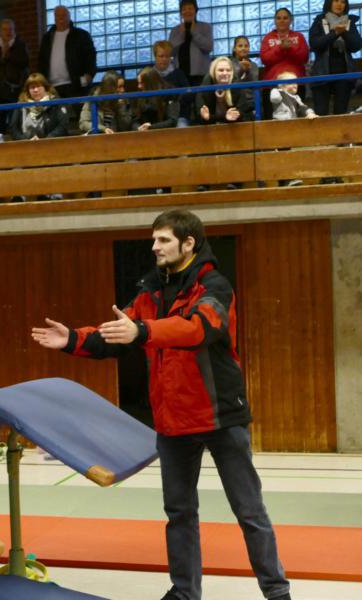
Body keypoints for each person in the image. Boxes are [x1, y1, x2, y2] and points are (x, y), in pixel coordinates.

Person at [31, 209, 291, 600]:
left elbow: (197, 329)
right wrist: (72, 338)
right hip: (173, 423)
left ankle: (277, 592)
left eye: (164, 239)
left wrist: (143, 331)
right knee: (179, 514)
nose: (155, 246)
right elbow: (118, 333)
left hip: (220, 416)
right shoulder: (149, 292)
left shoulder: (215, 288)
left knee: (249, 512)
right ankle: (185, 592)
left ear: (189, 243)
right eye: (154, 239)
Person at [309, 0, 362, 116]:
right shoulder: (319, 21)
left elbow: (357, 45)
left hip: (344, 74)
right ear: (329, 3)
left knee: (341, 114)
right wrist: (335, 33)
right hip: (321, 74)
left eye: (343, 2)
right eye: (336, 1)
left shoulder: (349, 22)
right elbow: (315, 44)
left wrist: (343, 32)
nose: (339, 4)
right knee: (321, 113)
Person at [38, 5, 97, 102]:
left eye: (64, 15)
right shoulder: (47, 38)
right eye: (58, 16)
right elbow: (41, 60)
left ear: (69, 17)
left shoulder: (81, 35)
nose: (61, 19)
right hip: (52, 88)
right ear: (54, 18)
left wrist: (89, 76)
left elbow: (90, 56)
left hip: (76, 86)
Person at [270, 71, 318, 187]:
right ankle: (286, 179)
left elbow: (302, 107)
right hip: (280, 127)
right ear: (282, 85)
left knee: (287, 152)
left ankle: (286, 179)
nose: (295, 84)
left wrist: (309, 113)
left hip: (290, 128)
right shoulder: (278, 92)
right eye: (291, 82)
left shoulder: (296, 97)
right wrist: (277, 89)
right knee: (282, 153)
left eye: (295, 82)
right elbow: (274, 99)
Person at [0, 18, 30, 134]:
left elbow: (24, 61)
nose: (8, 32)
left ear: (14, 31)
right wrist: (2, 57)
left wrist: (8, 54)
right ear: (0, 31)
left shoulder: (20, 45)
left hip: (17, 89)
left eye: (10, 29)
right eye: (5, 29)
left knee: (16, 120)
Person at [10, 73, 68, 140]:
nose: (36, 90)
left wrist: (46, 139)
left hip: (51, 142)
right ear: (28, 90)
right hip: (27, 143)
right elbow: (13, 128)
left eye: (38, 86)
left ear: (45, 87)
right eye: (32, 87)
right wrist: (25, 140)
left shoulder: (55, 102)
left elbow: (63, 125)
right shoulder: (20, 104)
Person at [197, 57, 254, 125]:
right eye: (221, 70)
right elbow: (200, 114)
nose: (225, 73)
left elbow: (243, 111)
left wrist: (237, 114)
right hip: (211, 126)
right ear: (214, 72)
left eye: (228, 70)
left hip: (234, 126)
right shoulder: (205, 86)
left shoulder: (237, 84)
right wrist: (207, 117)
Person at [169, 0, 213, 87]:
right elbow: (170, 52)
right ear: (181, 13)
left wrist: (194, 33)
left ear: (196, 11)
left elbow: (209, 47)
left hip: (201, 75)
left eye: (190, 8)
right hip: (180, 75)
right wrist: (181, 34)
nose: (187, 11)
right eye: (184, 9)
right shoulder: (175, 30)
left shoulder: (206, 27)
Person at [260, 8, 309, 83]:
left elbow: (304, 58)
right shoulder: (268, 38)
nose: (282, 20)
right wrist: (280, 48)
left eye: (285, 18)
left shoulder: (299, 36)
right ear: (275, 21)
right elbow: (264, 59)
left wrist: (290, 49)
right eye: (278, 18)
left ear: (291, 20)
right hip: (273, 81)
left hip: (296, 81)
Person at [152, 40, 191, 126]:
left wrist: (175, 99)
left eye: (167, 56)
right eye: (161, 56)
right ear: (155, 57)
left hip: (179, 116)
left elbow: (188, 94)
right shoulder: (150, 75)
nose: (164, 59)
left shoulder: (179, 74)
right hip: (156, 118)